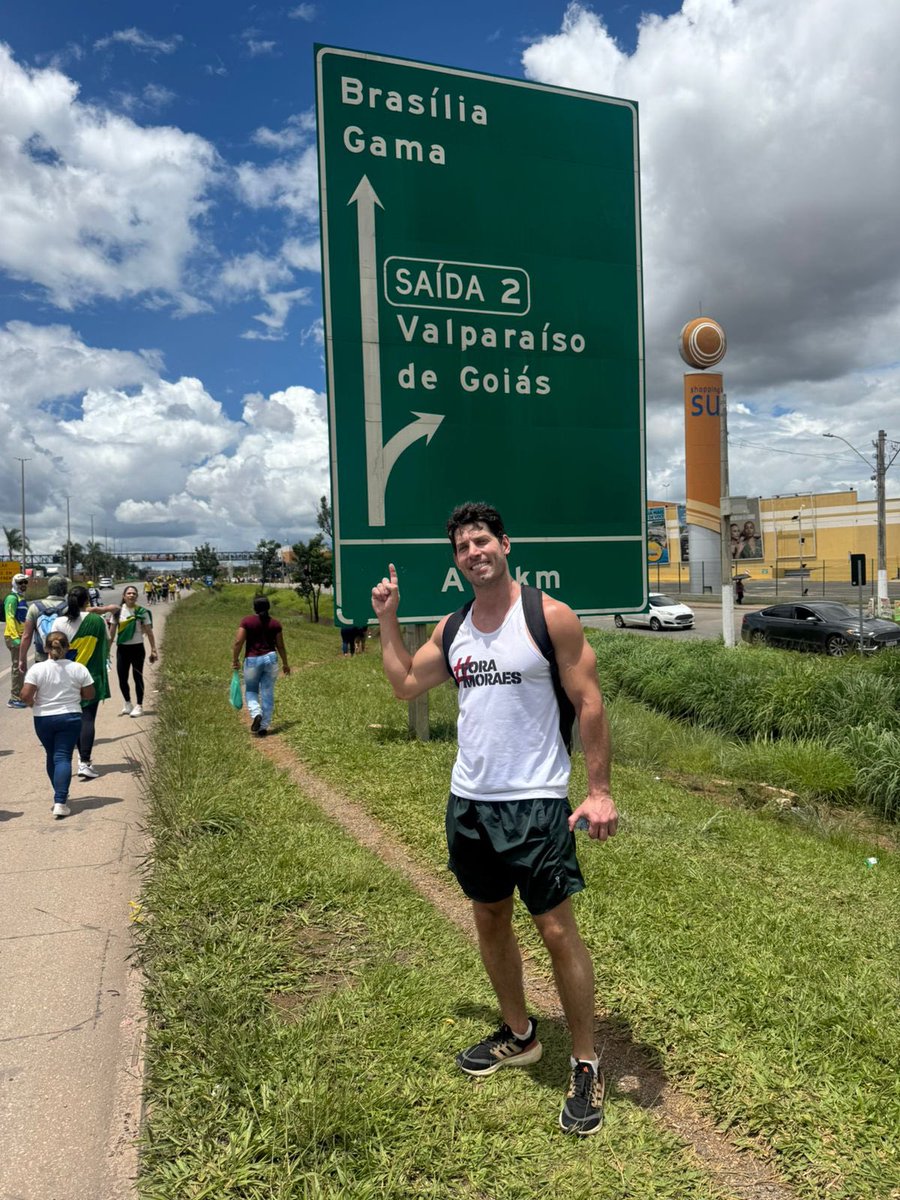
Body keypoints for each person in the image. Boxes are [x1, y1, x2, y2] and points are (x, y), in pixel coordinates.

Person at [371, 502, 617, 1137]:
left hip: (534, 802)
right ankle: (520, 1033)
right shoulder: (452, 630)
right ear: (456, 561)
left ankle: (586, 1062)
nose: (474, 552)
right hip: (469, 802)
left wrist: (599, 790)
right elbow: (403, 685)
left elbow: (588, 699)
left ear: (505, 545)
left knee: (557, 932)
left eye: (482, 541)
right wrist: (387, 620)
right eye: (463, 547)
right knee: (489, 917)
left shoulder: (547, 617)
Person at [21, 631, 95, 818]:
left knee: (51, 755)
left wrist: (33, 705)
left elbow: (25, 695)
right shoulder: (79, 668)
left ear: (45, 648)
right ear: (68, 647)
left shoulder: (37, 669)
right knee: (63, 756)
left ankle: (60, 793)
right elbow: (90, 694)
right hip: (70, 717)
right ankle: (60, 800)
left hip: (43, 718)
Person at [51, 586, 111, 780]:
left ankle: (72, 759)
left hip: (66, 676)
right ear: (88, 601)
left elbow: (53, 651)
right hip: (90, 676)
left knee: (73, 718)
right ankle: (84, 762)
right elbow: (107, 643)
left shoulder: (59, 622)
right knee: (87, 718)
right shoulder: (98, 621)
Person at [231, 596, 290, 736]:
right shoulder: (275, 624)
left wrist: (235, 659)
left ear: (254, 608)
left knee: (251, 690)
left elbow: (238, 642)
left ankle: (256, 712)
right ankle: (263, 726)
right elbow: (280, 645)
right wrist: (285, 664)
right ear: (268, 607)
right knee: (267, 692)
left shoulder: (247, 621)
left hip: (252, 660)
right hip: (270, 658)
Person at [111, 585, 158, 717]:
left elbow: (149, 632)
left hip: (137, 648)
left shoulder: (142, 612)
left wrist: (153, 650)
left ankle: (139, 705)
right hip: (122, 649)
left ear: (136, 596)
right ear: (124, 596)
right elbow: (112, 632)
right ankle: (127, 703)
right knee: (122, 678)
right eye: (129, 593)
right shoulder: (117, 612)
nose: (131, 595)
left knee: (137, 677)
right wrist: (107, 651)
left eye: (133, 593)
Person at [18, 576, 70, 672]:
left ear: (49, 589)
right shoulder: (70, 608)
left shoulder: (35, 607)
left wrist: (22, 659)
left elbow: (26, 636)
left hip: (41, 657)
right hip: (65, 657)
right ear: (65, 590)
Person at [4, 572, 31, 707]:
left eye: (25, 582)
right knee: (17, 667)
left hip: (20, 636)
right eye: (21, 583)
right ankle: (14, 698)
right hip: (13, 637)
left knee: (22, 667)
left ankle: (20, 696)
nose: (24, 585)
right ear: (15, 583)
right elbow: (9, 618)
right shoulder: (12, 598)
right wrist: (15, 637)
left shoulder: (21, 598)